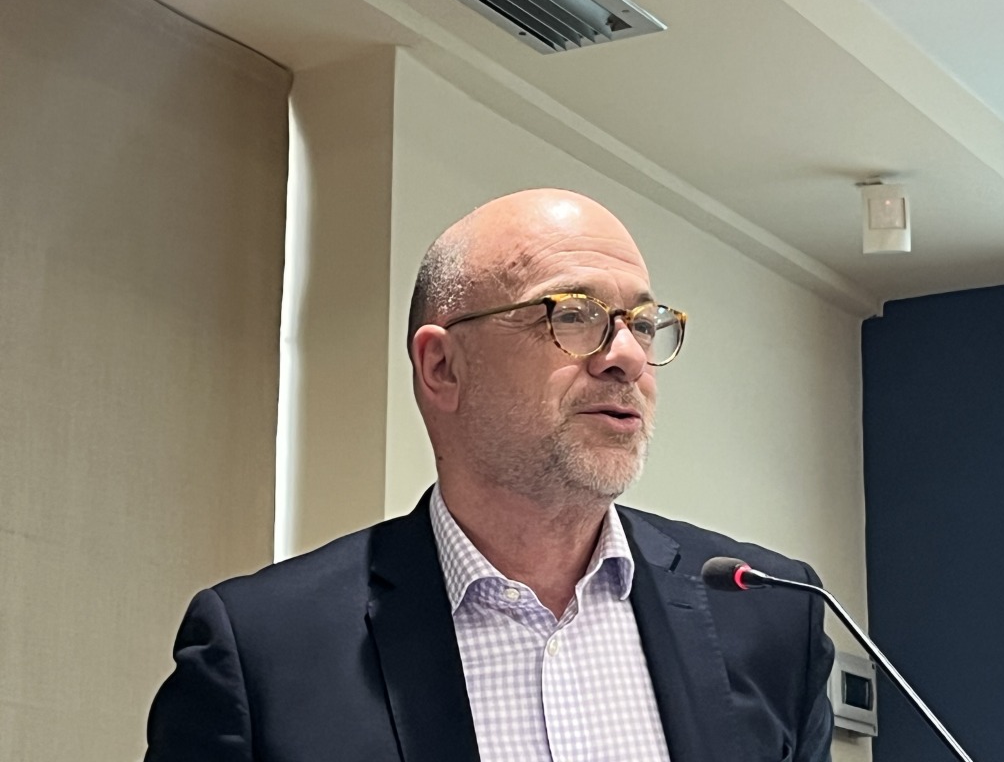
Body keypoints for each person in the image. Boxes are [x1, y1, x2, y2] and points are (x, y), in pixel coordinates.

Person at [145, 188, 834, 762]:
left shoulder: (770, 613)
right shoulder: (263, 650)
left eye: (642, 324)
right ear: (442, 367)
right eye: (573, 315)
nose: (626, 356)